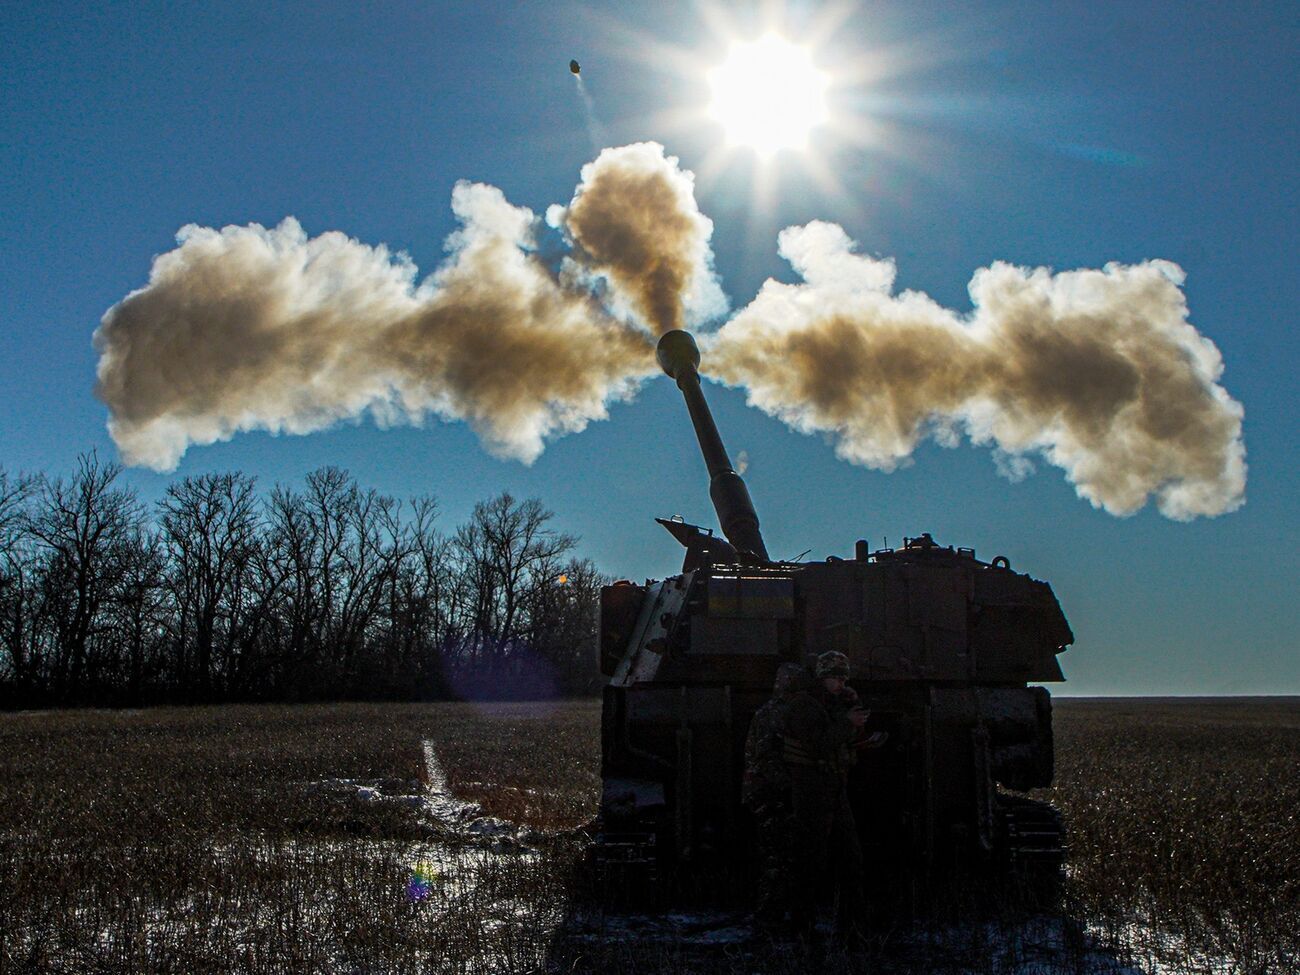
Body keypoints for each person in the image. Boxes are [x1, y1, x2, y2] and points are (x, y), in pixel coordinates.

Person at [782, 650, 870, 941]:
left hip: (833, 784)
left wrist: (851, 712)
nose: (841, 683)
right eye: (836, 677)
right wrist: (848, 722)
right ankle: (801, 925)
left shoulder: (832, 703)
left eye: (844, 677)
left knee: (850, 856)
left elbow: (839, 739)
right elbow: (820, 743)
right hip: (812, 786)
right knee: (809, 857)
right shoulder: (803, 705)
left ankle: (851, 923)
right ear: (823, 677)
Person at [742, 662, 807, 932]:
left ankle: (773, 914)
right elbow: (767, 758)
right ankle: (772, 916)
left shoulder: (767, 712)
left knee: (776, 856)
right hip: (776, 794)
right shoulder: (785, 714)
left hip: (766, 793)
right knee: (780, 857)